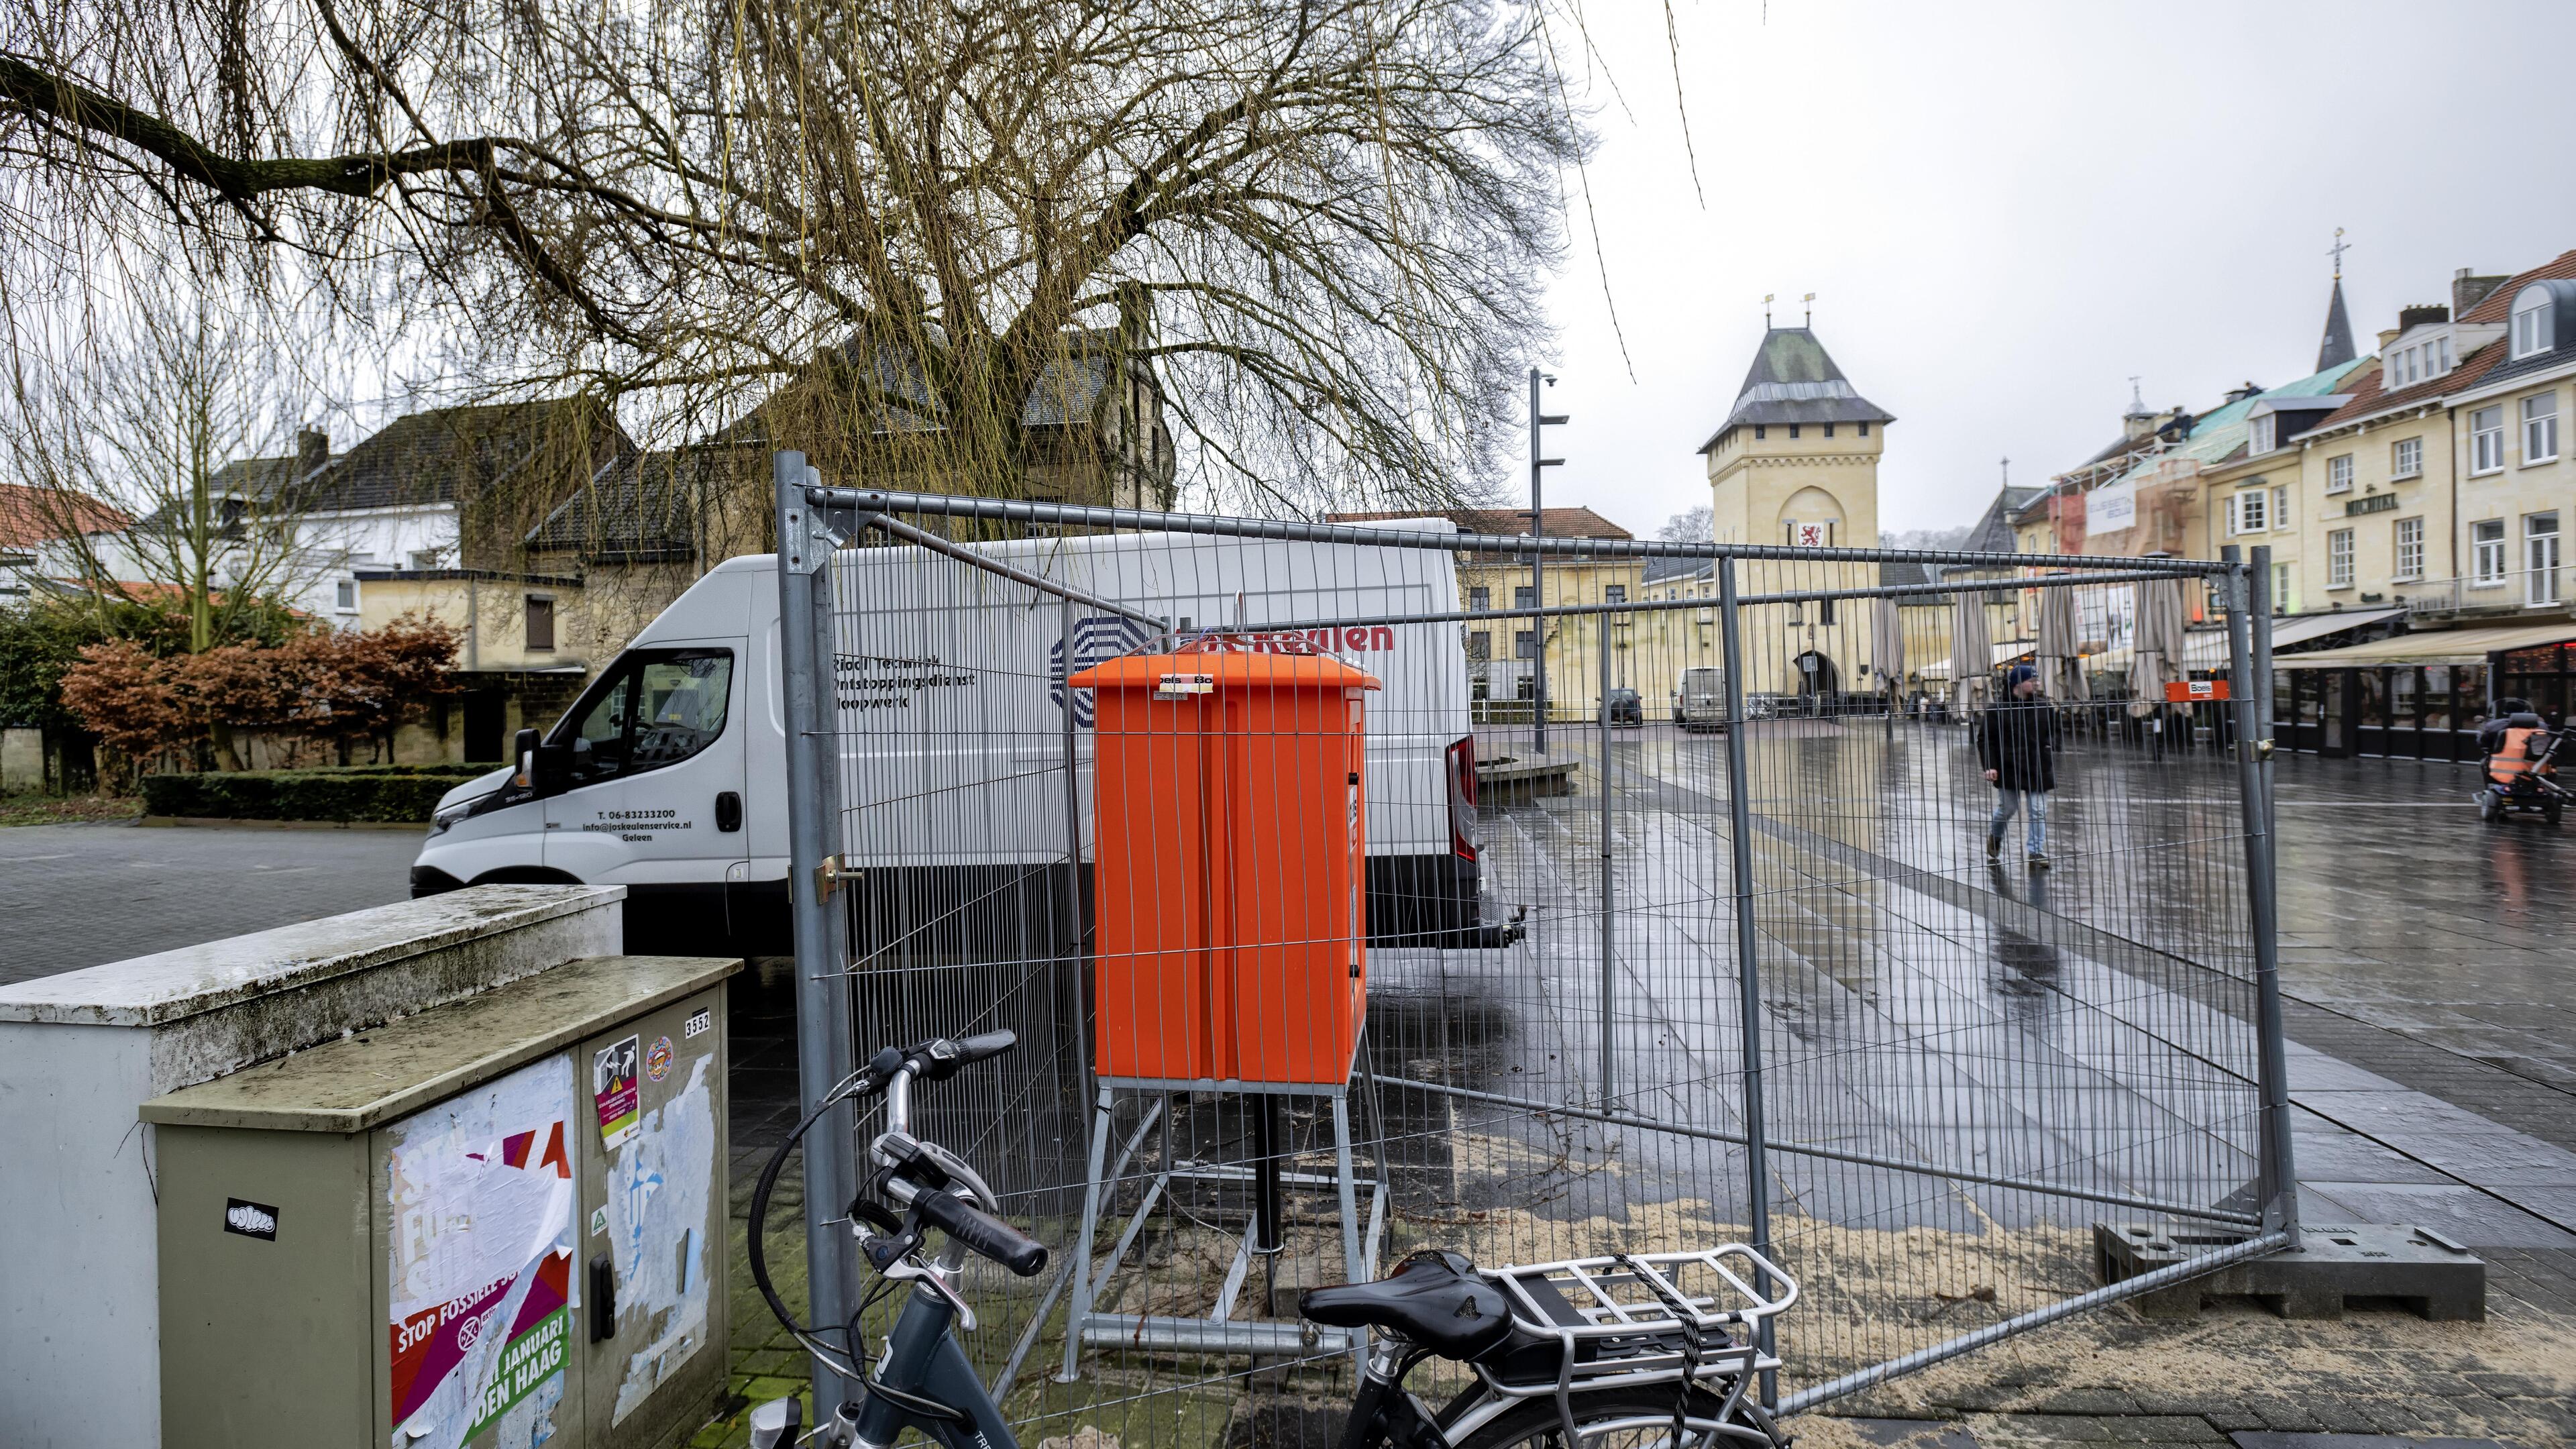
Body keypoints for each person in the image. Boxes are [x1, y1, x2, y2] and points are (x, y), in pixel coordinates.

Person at [1980, 663, 2061, 869]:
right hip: (2008, 767)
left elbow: (2055, 730)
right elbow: (1986, 740)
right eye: (2032, 680)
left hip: (2037, 766)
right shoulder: (1997, 710)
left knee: (2038, 810)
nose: (2037, 684)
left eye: (2037, 680)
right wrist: (1990, 766)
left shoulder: (2043, 706)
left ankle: (2036, 852)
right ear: (2018, 684)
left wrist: (2051, 745)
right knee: (2007, 809)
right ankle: (1996, 836)